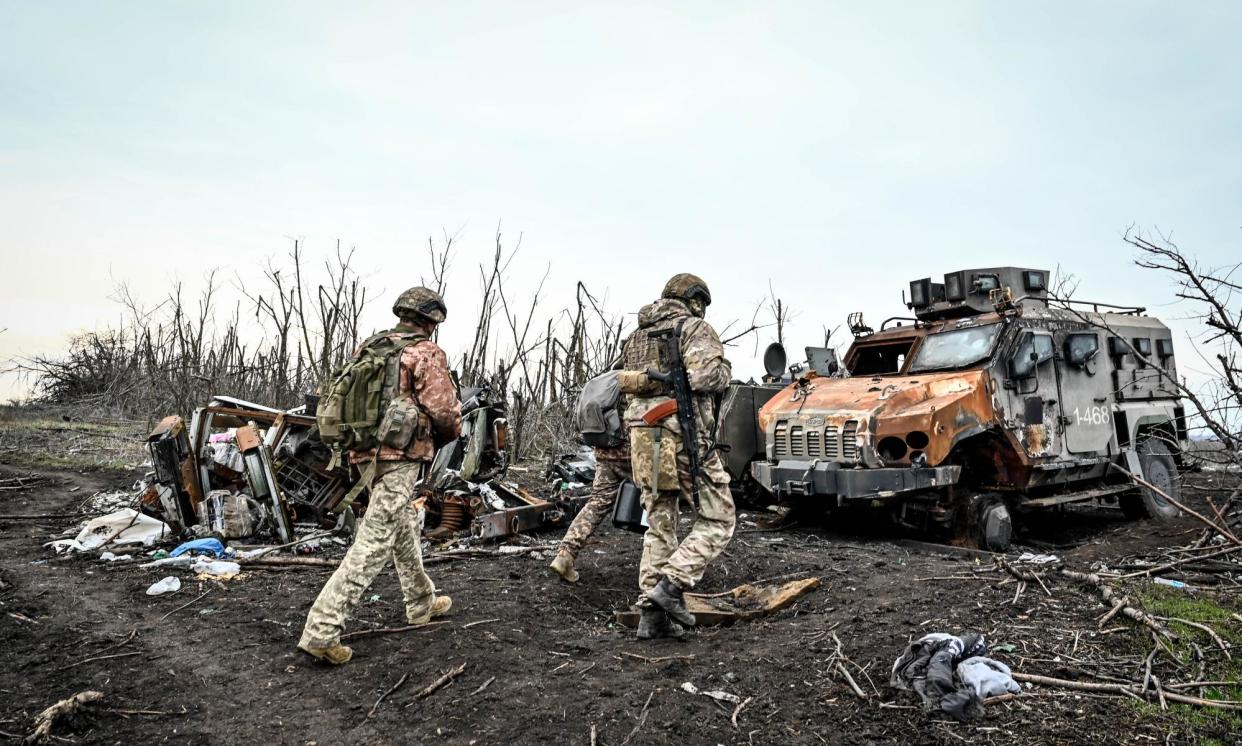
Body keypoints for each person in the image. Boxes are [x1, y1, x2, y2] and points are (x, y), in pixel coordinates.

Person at [298, 287, 462, 665]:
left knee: (401, 524)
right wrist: (449, 433)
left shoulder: (370, 347)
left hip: (362, 454)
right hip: (400, 456)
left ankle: (420, 602)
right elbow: (444, 411)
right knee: (373, 542)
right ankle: (321, 630)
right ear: (432, 320)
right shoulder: (425, 352)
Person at [617, 273, 734, 640]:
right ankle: (670, 586)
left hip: (642, 437)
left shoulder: (637, 336)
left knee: (659, 522)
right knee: (719, 517)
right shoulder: (693, 327)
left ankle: (651, 619)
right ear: (696, 300)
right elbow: (705, 377)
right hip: (683, 436)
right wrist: (726, 370)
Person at [549, 442, 632, 583]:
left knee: (597, 502)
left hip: (604, 451)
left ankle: (565, 555)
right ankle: (657, 580)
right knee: (660, 505)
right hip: (635, 452)